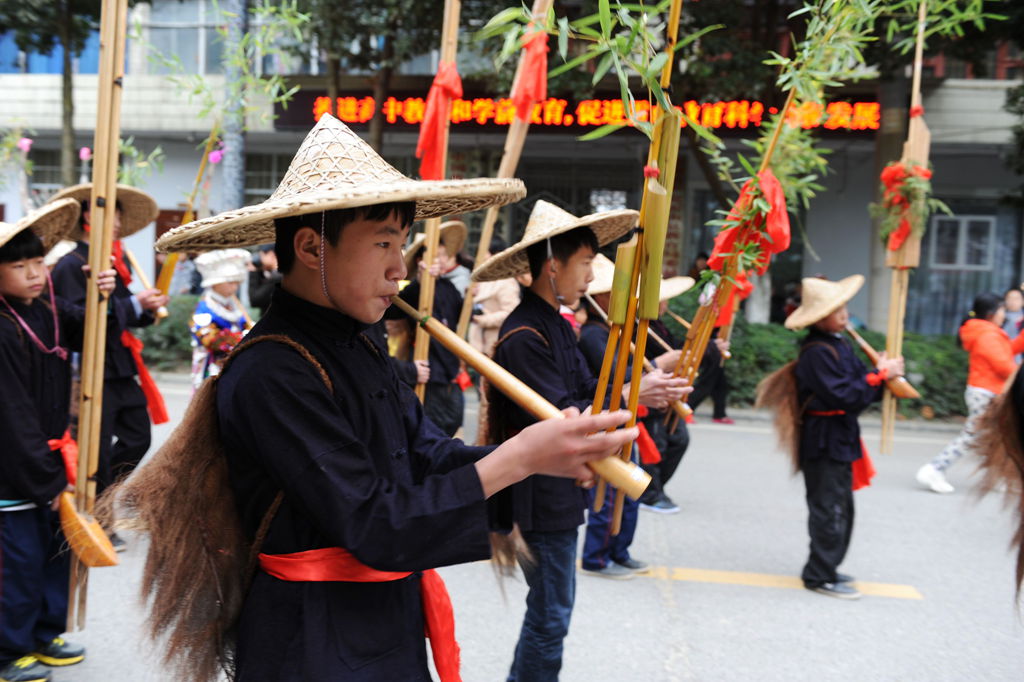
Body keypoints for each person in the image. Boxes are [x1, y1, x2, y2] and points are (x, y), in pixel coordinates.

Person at [126, 114, 639, 682]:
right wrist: (516, 460)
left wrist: (539, 457)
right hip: (312, 641)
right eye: (384, 244)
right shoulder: (271, 370)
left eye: (402, 243)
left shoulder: (362, 342)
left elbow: (426, 455)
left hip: (383, 618)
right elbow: (374, 519)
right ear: (311, 247)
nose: (401, 268)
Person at [475, 199, 688, 679]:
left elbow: (583, 394)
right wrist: (633, 395)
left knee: (553, 613)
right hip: (538, 491)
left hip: (557, 489)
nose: (592, 278)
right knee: (551, 617)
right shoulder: (525, 335)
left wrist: (644, 387)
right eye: (587, 264)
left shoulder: (555, 323)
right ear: (553, 266)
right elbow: (561, 420)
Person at [0, 200, 117, 682]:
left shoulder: (43, 307)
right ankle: (9, 651)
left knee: (55, 551)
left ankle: (45, 633)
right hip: (14, 465)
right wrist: (44, 480)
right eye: (18, 265)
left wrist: (103, 292)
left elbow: (87, 323)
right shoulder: (3, 326)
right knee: (17, 561)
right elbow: (11, 416)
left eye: (36, 263)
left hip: (50, 457)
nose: (32, 273)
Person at [773, 275, 903, 600]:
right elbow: (844, 395)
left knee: (841, 506)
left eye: (844, 307)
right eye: (837, 309)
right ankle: (819, 574)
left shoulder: (840, 344)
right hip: (823, 437)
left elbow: (862, 385)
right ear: (819, 318)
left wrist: (882, 371)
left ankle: (828, 566)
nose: (844, 314)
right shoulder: (816, 351)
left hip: (840, 435)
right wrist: (878, 377)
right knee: (827, 507)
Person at [48, 184, 167, 520]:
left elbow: (123, 313)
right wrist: (131, 304)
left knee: (138, 437)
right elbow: (79, 322)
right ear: (90, 215)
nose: (117, 222)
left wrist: (145, 307)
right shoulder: (72, 265)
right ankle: (96, 511)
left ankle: (103, 498)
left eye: (118, 215)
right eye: (112, 214)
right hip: (89, 366)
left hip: (119, 364)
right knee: (95, 446)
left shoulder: (112, 261)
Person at [576, 256, 691, 577]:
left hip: (628, 418)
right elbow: (613, 376)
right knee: (609, 492)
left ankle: (620, 550)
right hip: (606, 420)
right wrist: (657, 367)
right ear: (600, 298)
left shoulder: (618, 330)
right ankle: (597, 558)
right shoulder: (593, 334)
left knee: (632, 490)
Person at [916, 293, 1024, 494]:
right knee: (972, 436)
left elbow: (1008, 351)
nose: (1004, 314)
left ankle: (998, 478)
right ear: (992, 313)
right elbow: (1005, 366)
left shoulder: (987, 332)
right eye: (1002, 310)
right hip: (987, 393)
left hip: (985, 391)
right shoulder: (987, 335)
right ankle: (934, 469)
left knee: (996, 437)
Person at [387, 220, 468, 437]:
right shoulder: (416, 288)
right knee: (429, 432)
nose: (441, 261)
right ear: (422, 260)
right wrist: (421, 283)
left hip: (450, 370)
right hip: (428, 370)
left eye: (443, 255)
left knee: (452, 425)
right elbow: (392, 310)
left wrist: (471, 299)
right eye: (435, 255)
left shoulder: (449, 286)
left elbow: (460, 315)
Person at [640, 275, 696, 513]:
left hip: (668, 392)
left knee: (679, 440)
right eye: (662, 300)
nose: (666, 304)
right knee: (656, 444)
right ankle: (650, 493)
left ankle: (657, 487)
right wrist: (662, 363)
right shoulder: (640, 327)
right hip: (648, 393)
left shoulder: (660, 326)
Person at [190, 249, 253, 389]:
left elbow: (246, 326)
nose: (234, 287)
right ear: (214, 283)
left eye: (236, 283)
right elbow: (208, 337)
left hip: (236, 362)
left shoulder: (234, 305)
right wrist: (239, 341)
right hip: (213, 363)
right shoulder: (205, 307)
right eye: (230, 283)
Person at [248, 244, 281, 317]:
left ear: (271, 254)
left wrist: (253, 272)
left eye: (261, 255)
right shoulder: (285, 273)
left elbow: (255, 300)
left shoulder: (277, 277)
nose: (260, 259)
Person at [1003, 286, 1023, 363]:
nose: (1012, 301)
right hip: (1004, 357)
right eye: (1009, 298)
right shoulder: (999, 318)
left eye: (1016, 298)